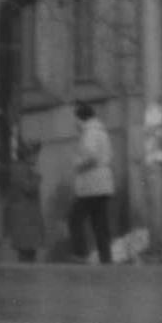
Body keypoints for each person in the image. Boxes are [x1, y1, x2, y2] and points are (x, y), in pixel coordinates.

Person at [67, 100, 121, 263]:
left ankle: (80, 253)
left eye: (75, 118)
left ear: (80, 118)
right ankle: (106, 258)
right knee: (100, 222)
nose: (74, 123)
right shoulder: (100, 130)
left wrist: (77, 164)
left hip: (92, 184)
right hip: (103, 183)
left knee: (74, 218)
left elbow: (91, 156)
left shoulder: (89, 132)